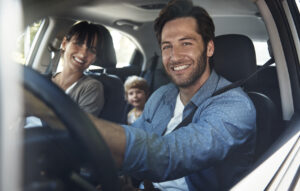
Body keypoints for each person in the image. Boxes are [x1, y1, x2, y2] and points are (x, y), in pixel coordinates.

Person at [83, 0, 257, 190]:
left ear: (209, 48)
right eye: (167, 46)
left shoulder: (235, 106)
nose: (175, 56)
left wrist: (85, 126)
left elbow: (169, 156)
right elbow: (136, 137)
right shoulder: (161, 95)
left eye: (186, 43)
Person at [51, 21, 105, 116]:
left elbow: (79, 128)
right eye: (79, 44)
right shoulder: (44, 80)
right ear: (64, 44)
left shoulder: (91, 87)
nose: (83, 54)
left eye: (92, 50)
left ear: (95, 58)